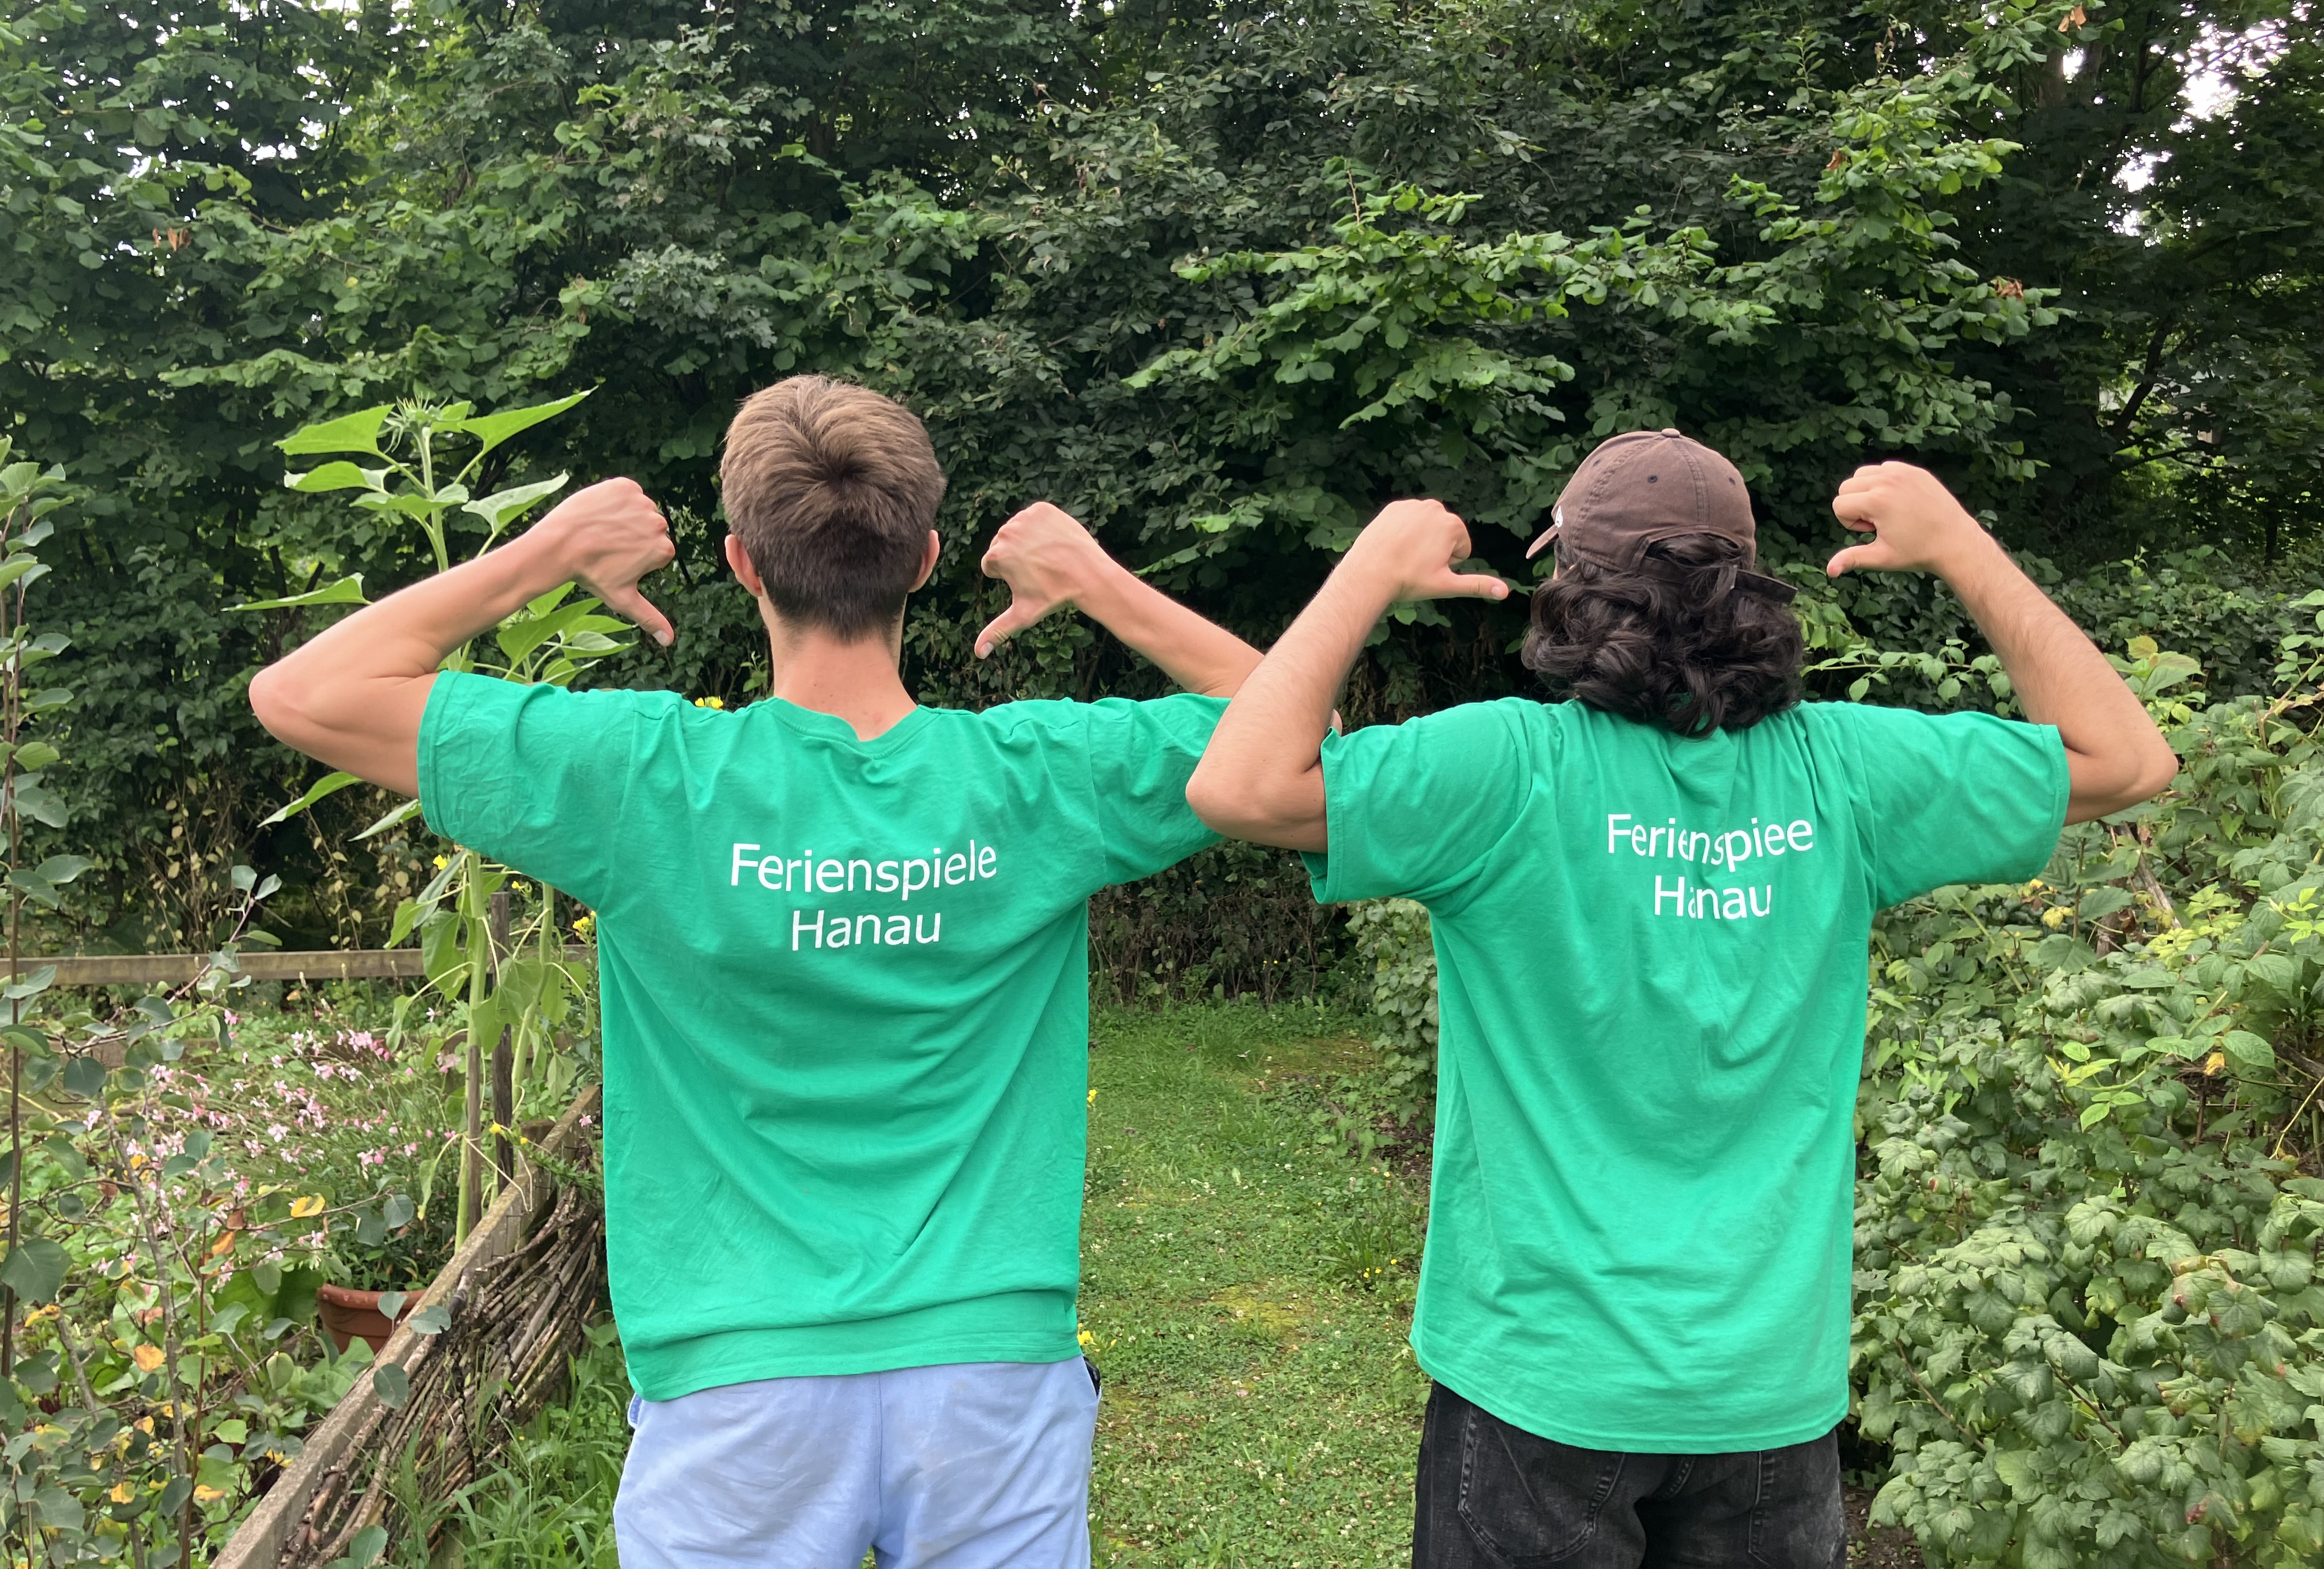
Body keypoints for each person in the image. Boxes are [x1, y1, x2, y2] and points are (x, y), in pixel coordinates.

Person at [250, 375, 1261, 1569]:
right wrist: (1098, 582)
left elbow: (301, 693)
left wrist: (549, 551)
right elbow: (1301, 732)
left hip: (736, 1397)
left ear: (741, 564)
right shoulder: (1045, 777)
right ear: (926, 560)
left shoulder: (643, 778)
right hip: (989, 1380)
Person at [1185, 431, 2177, 1568]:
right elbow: (2129, 761)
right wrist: (1959, 544)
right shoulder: (1848, 772)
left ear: (1570, 583)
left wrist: (1369, 567)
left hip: (1542, 1381)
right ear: (1749, 586)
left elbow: (1239, 785)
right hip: (1767, 1398)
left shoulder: (1506, 769)